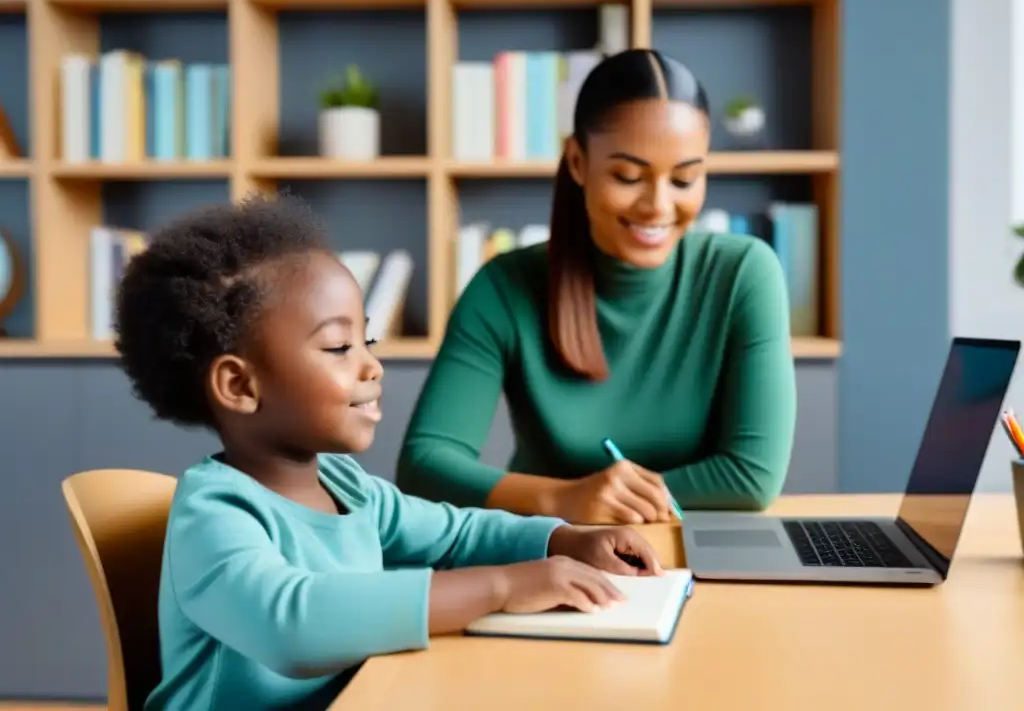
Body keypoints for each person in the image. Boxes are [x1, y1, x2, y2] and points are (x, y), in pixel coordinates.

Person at [115, 195, 663, 711]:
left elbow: (455, 534)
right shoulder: (214, 514)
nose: (371, 366)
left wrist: (563, 538)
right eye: (338, 347)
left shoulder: (346, 486)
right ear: (239, 385)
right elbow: (292, 624)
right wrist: (504, 586)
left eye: (366, 342)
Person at [397, 48, 797, 524]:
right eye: (628, 176)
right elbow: (425, 464)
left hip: (689, 554)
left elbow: (751, 477)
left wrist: (612, 501)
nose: (658, 205)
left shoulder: (745, 274)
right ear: (578, 161)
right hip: (544, 549)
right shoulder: (504, 287)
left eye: (685, 179)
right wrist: (565, 500)